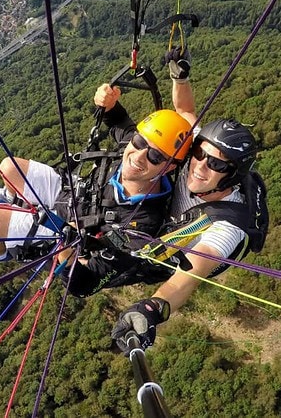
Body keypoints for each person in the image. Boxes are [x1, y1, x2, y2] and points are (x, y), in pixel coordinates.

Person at [108, 47, 267, 353]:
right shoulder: (197, 161)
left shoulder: (227, 227)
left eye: (217, 165)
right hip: (168, 215)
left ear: (232, 176)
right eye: (198, 154)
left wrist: (152, 309)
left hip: (173, 250)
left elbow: (190, 274)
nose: (200, 166)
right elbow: (185, 116)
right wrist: (180, 79)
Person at [0, 86, 193, 297]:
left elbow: (84, 285)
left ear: (169, 167)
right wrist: (108, 101)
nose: (139, 156)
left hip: (70, 232)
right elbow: (117, 119)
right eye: (139, 141)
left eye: (155, 157)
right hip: (75, 194)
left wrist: (67, 250)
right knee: (9, 167)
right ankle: (15, 199)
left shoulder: (143, 223)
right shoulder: (131, 146)